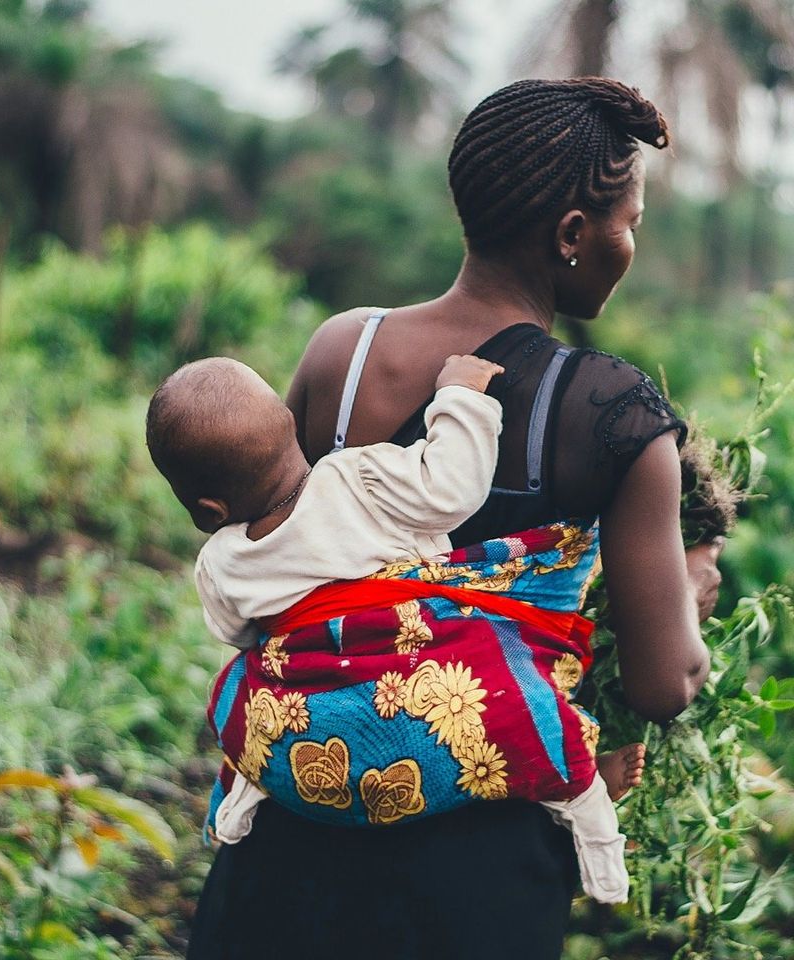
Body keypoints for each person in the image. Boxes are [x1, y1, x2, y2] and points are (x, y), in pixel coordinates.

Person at [187, 77, 723, 960]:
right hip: (473, 882)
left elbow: (271, 536)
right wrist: (691, 592)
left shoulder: (342, 353)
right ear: (571, 235)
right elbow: (662, 687)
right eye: (630, 222)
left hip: (292, 830)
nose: (631, 245)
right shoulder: (614, 412)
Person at [146, 352, 646, 904]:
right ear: (290, 425)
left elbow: (240, 635)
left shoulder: (220, 560)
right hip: (420, 690)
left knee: (243, 691)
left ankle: (243, 796)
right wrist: (461, 395)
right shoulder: (357, 477)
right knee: (519, 705)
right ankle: (592, 826)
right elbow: (452, 487)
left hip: (312, 730)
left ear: (208, 510)